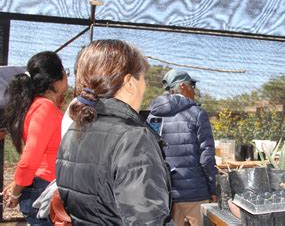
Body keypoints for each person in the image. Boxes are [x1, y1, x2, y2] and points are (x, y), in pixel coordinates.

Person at [56, 40, 171, 224]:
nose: (145, 86)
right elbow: (148, 220)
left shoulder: (76, 128)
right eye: (143, 78)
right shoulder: (133, 138)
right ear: (130, 82)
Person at [2, 51, 67, 225]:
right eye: (65, 71)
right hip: (43, 190)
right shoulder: (45, 109)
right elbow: (31, 157)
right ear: (56, 80)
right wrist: (17, 190)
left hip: (41, 187)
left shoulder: (38, 106)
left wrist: (17, 182)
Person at [148, 69, 217, 226]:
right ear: (182, 86)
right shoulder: (197, 114)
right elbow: (206, 157)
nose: (194, 90)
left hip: (167, 194)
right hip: (196, 192)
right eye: (192, 85)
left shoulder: (154, 116)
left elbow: (150, 152)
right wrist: (213, 188)